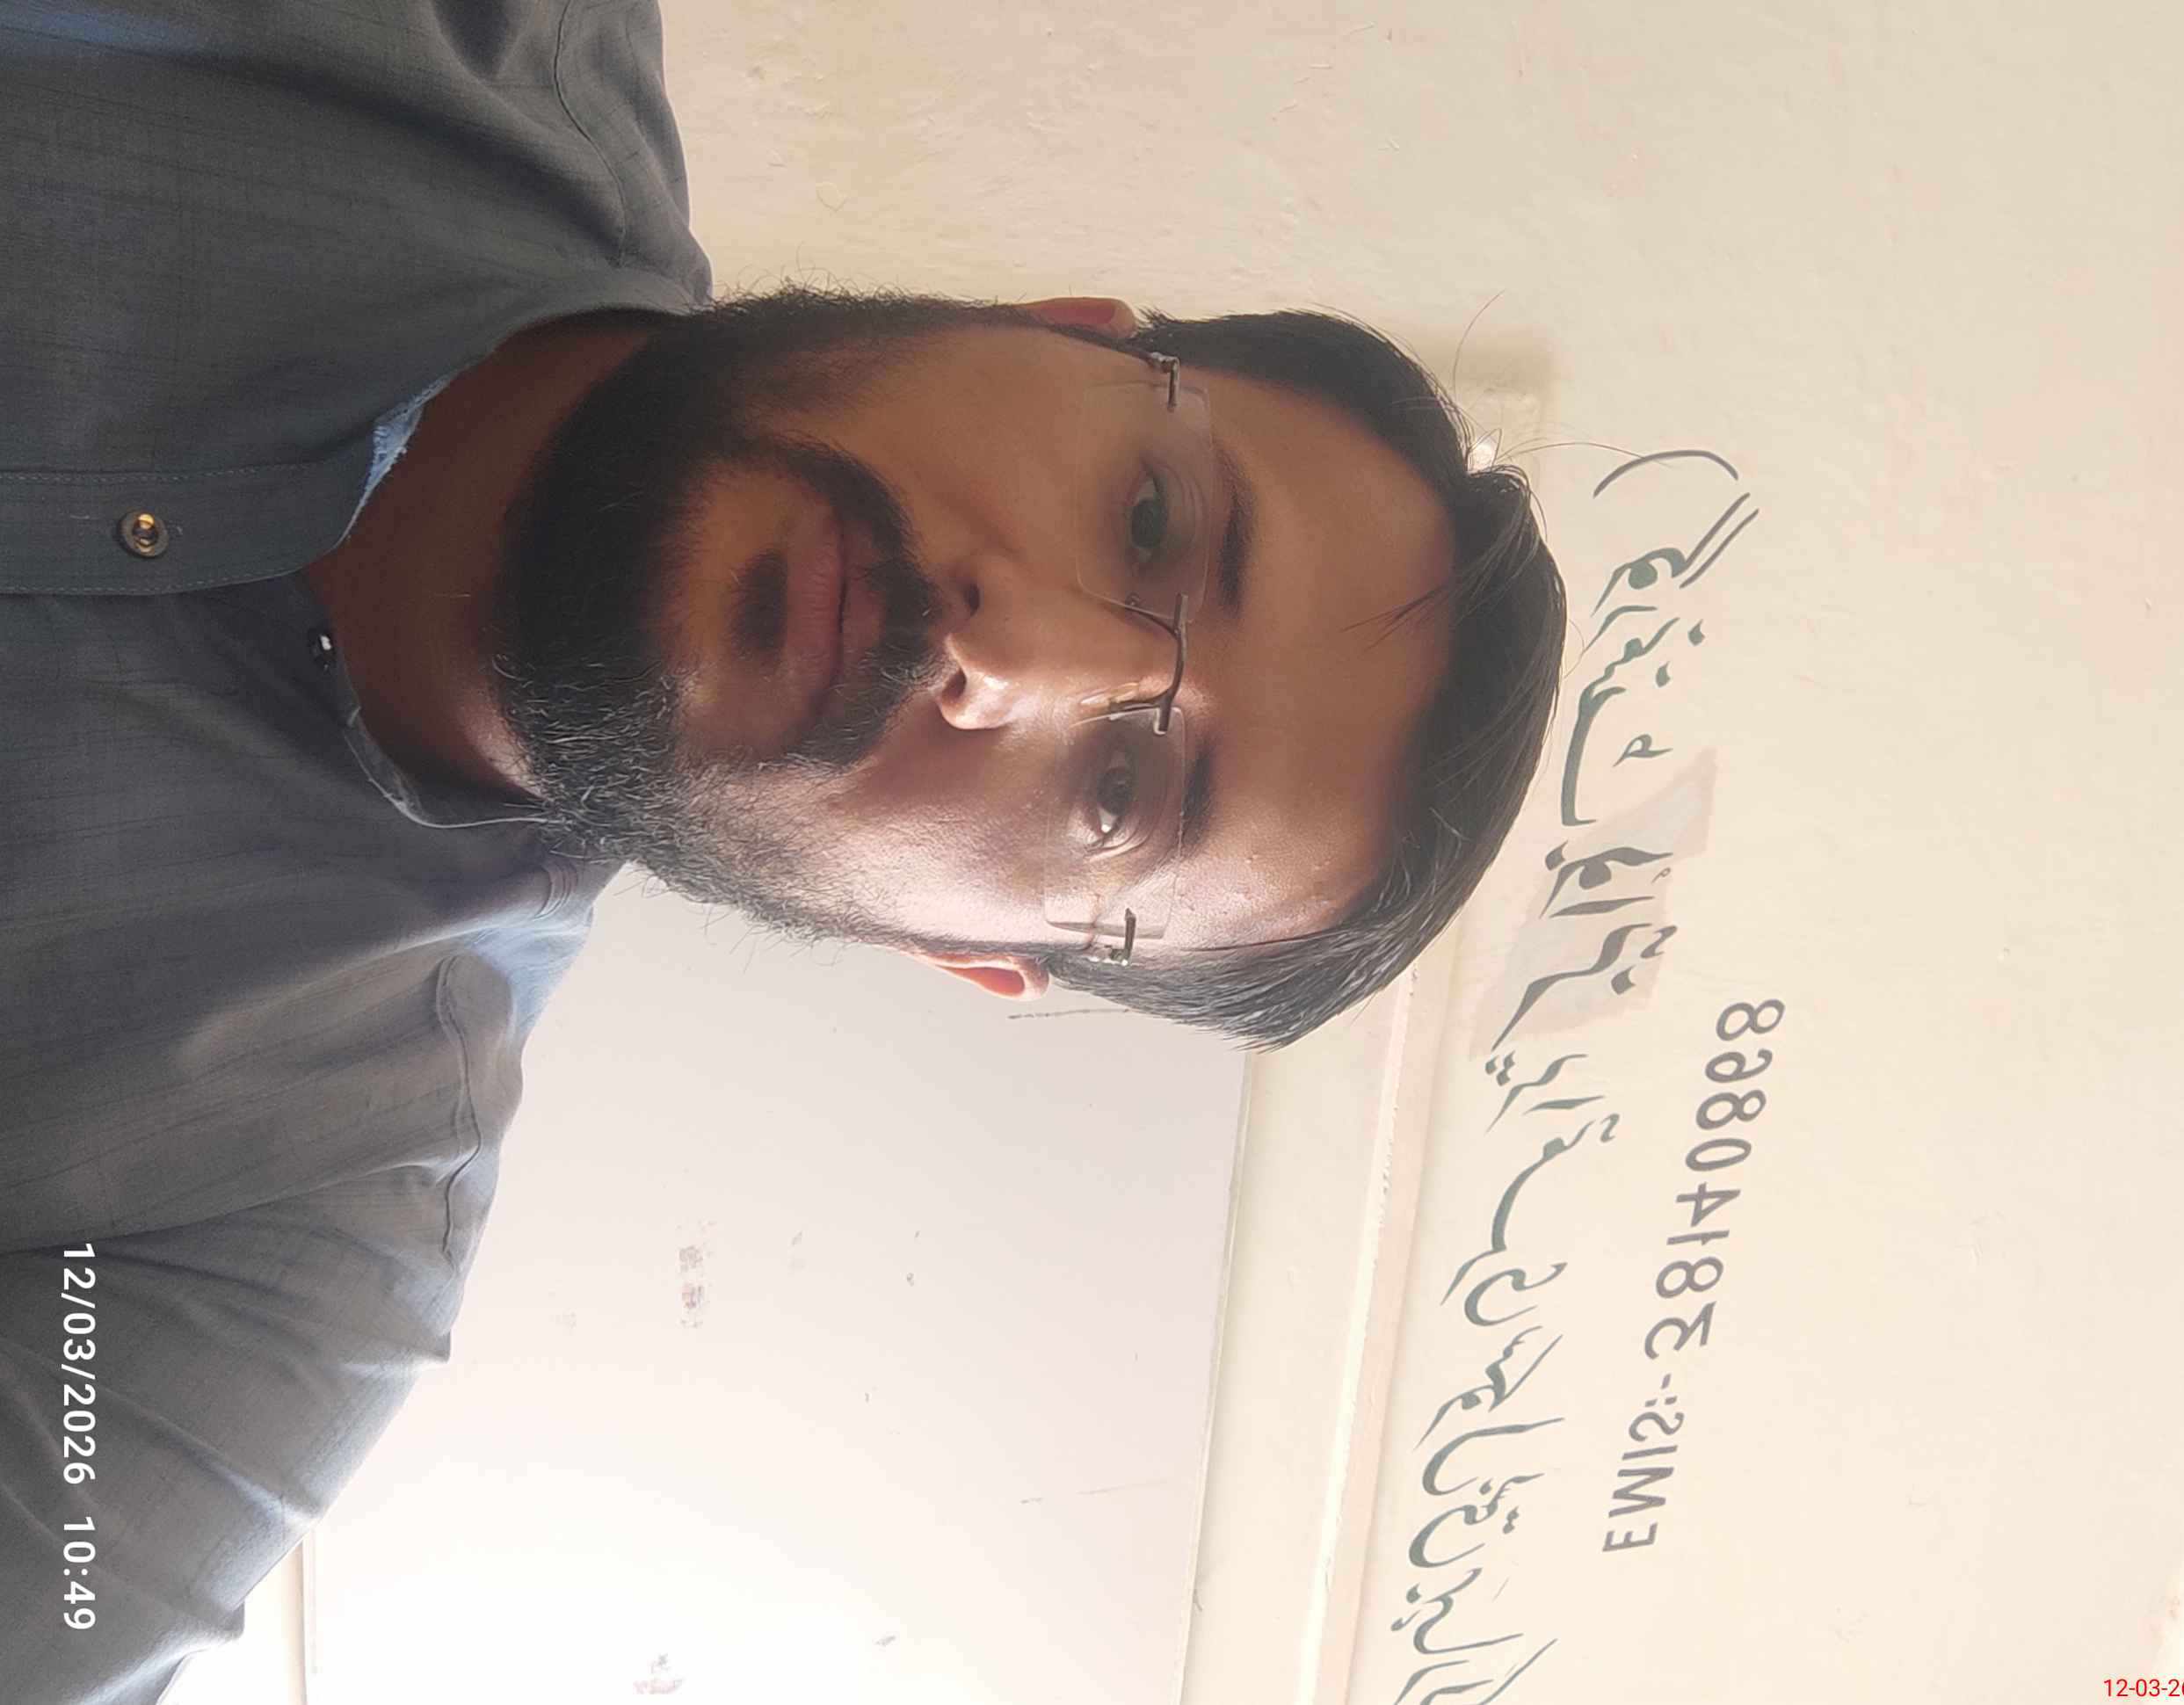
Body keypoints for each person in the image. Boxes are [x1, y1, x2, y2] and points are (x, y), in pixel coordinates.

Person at [0, 3, 1564, 1698]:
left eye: (1121, 791)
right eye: (1150, 519)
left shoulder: (245, 1254)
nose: (1006, 653)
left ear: (957, 952)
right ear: (1058, 329)